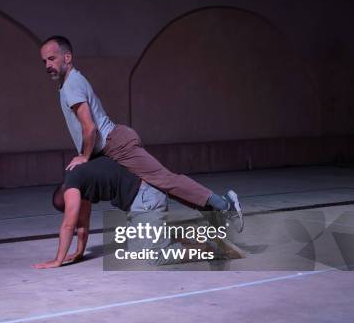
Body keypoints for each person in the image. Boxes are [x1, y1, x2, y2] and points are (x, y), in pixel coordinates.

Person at [39, 35, 243, 232]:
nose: (48, 65)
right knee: (159, 185)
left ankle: (225, 204)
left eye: (52, 58)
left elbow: (89, 127)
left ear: (67, 57)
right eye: (44, 61)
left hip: (117, 145)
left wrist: (84, 157)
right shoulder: (69, 84)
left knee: (164, 180)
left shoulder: (71, 85)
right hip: (109, 148)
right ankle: (213, 212)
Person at [32, 156, 219, 269]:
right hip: (139, 202)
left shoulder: (72, 183)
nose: (76, 209)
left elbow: (69, 224)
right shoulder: (81, 182)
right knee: (136, 252)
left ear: (66, 195)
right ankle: (185, 239)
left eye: (71, 206)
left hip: (146, 198)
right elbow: (83, 225)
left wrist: (58, 260)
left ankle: (208, 248)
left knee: (155, 257)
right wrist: (79, 252)